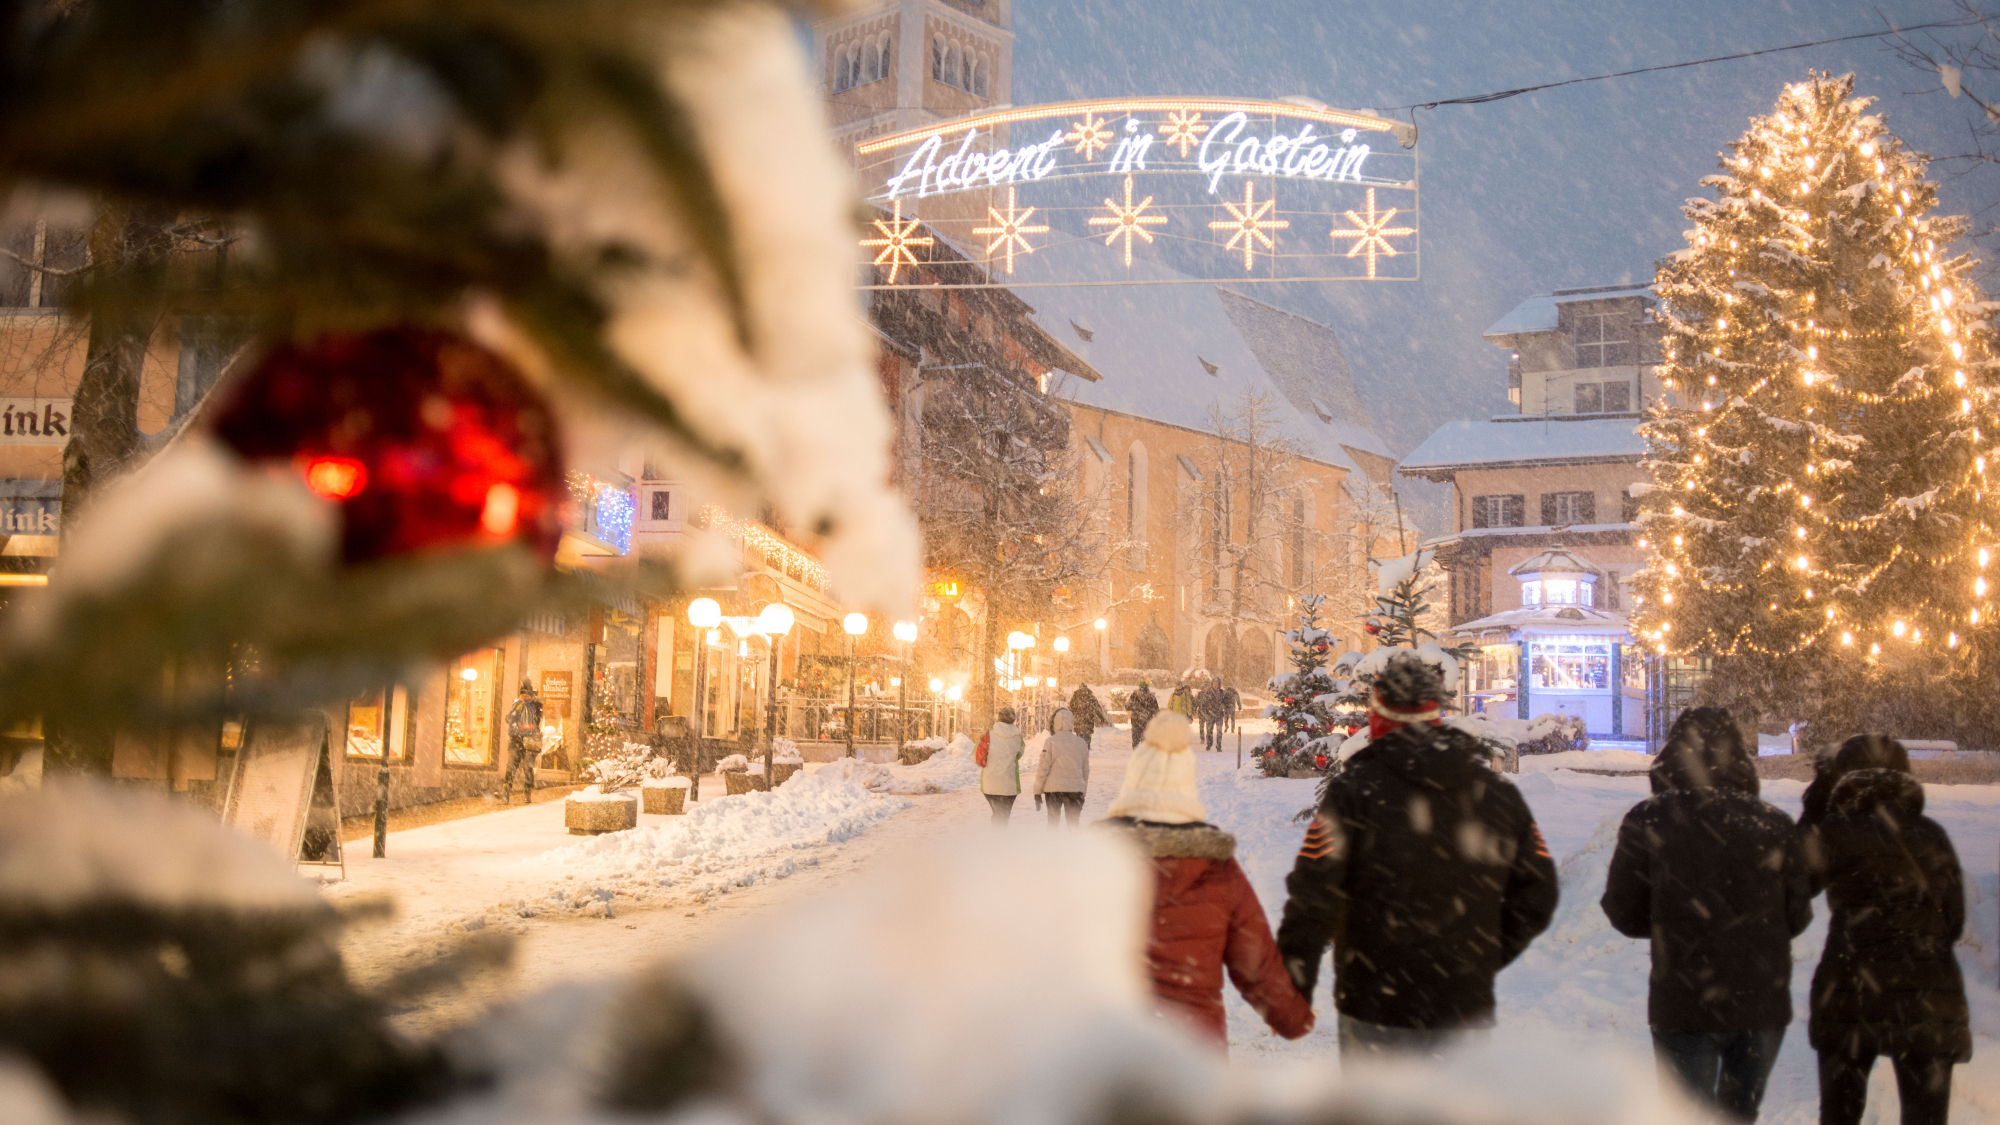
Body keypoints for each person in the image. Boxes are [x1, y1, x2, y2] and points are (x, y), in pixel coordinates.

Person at [1277, 651, 1557, 1059]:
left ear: (1379, 717)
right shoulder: (1495, 794)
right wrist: (1483, 954)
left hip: (1374, 1001)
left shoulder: (1354, 793)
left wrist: (1291, 985)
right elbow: (1538, 891)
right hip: (1460, 1005)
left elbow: (1314, 894)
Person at [1601, 706, 1813, 1122]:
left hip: (1684, 998)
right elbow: (1798, 916)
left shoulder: (1649, 820)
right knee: (1740, 1114)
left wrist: (1671, 922)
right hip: (1761, 1003)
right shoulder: (1774, 824)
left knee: (1686, 1116)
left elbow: (1624, 912)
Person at [1098, 710, 1313, 1049]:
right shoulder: (1216, 868)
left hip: (1109, 1043)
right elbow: (1255, 958)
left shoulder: (1093, 862)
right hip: (1194, 1044)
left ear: (1132, 784)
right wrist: (1289, 1016)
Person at [1804, 737, 1968, 1125]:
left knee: (1840, 1115)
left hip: (1849, 987)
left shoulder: (1833, 831)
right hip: (1929, 991)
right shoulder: (1932, 835)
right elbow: (1954, 920)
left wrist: (1817, 804)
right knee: (1925, 1116)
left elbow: (1795, 883)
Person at [1033, 707, 1091, 828]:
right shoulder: (1081, 743)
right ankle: (1072, 846)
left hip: (1053, 790)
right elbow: (1085, 771)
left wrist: (1037, 792)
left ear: (1056, 723)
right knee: (1073, 825)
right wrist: (1083, 793)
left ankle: (1053, 845)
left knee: (1053, 824)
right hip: (1075, 790)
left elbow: (1043, 768)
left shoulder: (1051, 742)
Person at [977, 705, 1025, 828]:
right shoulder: (1018, 737)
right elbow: (1019, 754)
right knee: (1004, 815)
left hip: (991, 784)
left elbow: (978, 758)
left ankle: (997, 837)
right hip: (1009, 784)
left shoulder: (987, 735)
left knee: (997, 813)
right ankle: (1000, 838)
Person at [501, 681, 542, 805]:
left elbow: (536, 720)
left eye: (526, 696)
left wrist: (528, 706)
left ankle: (527, 790)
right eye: (522, 695)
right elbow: (509, 718)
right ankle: (506, 791)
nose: (524, 698)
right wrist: (517, 708)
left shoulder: (536, 705)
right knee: (511, 765)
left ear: (531, 695)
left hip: (530, 740)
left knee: (527, 767)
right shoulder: (517, 704)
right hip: (515, 739)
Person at [1195, 680, 1229, 752]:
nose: (1215, 685)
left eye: (1217, 684)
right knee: (1209, 730)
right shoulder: (1208, 693)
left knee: (1219, 731)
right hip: (1210, 714)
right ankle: (1209, 744)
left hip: (1219, 714)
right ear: (1212, 684)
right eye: (1214, 684)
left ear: (1219, 685)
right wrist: (1206, 711)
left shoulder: (1222, 693)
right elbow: (1204, 703)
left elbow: (1226, 702)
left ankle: (1219, 745)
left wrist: (1223, 707)